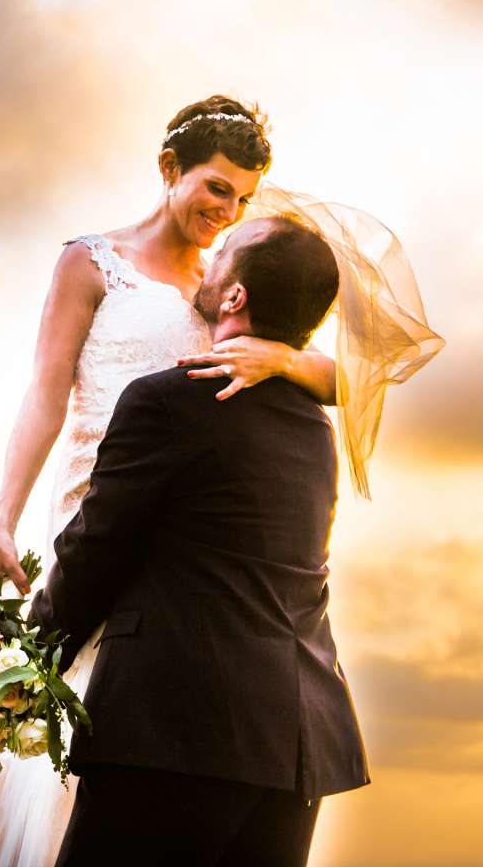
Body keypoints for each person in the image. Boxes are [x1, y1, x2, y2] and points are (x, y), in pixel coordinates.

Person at [0, 97, 334, 867]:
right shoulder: (94, 263)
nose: (227, 212)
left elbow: (355, 383)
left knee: (145, 757)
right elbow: (46, 391)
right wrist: (5, 515)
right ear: (170, 170)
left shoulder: (236, 284)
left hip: (187, 551)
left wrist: (285, 359)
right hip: (99, 519)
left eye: (244, 198)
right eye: (217, 189)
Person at [28, 215, 366, 866]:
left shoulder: (166, 403)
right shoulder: (314, 429)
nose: (206, 263)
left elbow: (95, 550)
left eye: (223, 258)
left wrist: (21, 657)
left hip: (176, 735)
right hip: (295, 746)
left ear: (235, 296)